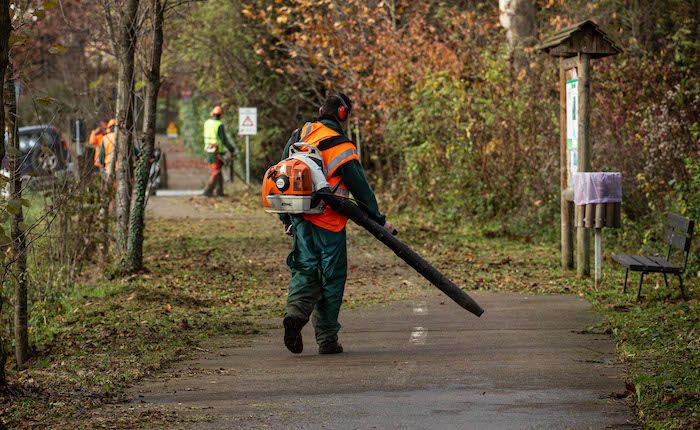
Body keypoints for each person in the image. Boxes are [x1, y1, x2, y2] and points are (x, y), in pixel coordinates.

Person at [280, 93, 394, 355]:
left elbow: (282, 176)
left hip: (300, 219)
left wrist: (286, 219)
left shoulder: (299, 135)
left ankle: (294, 315)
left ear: (322, 111)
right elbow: (361, 189)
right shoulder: (342, 147)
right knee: (331, 278)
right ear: (343, 114)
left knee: (305, 269)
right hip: (329, 224)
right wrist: (379, 220)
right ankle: (327, 339)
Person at [203, 105, 236, 197]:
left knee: (218, 170)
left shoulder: (207, 123)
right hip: (216, 150)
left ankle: (219, 191)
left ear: (212, 114)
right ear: (221, 115)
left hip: (208, 149)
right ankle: (207, 191)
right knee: (216, 171)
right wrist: (231, 148)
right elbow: (224, 140)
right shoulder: (219, 124)